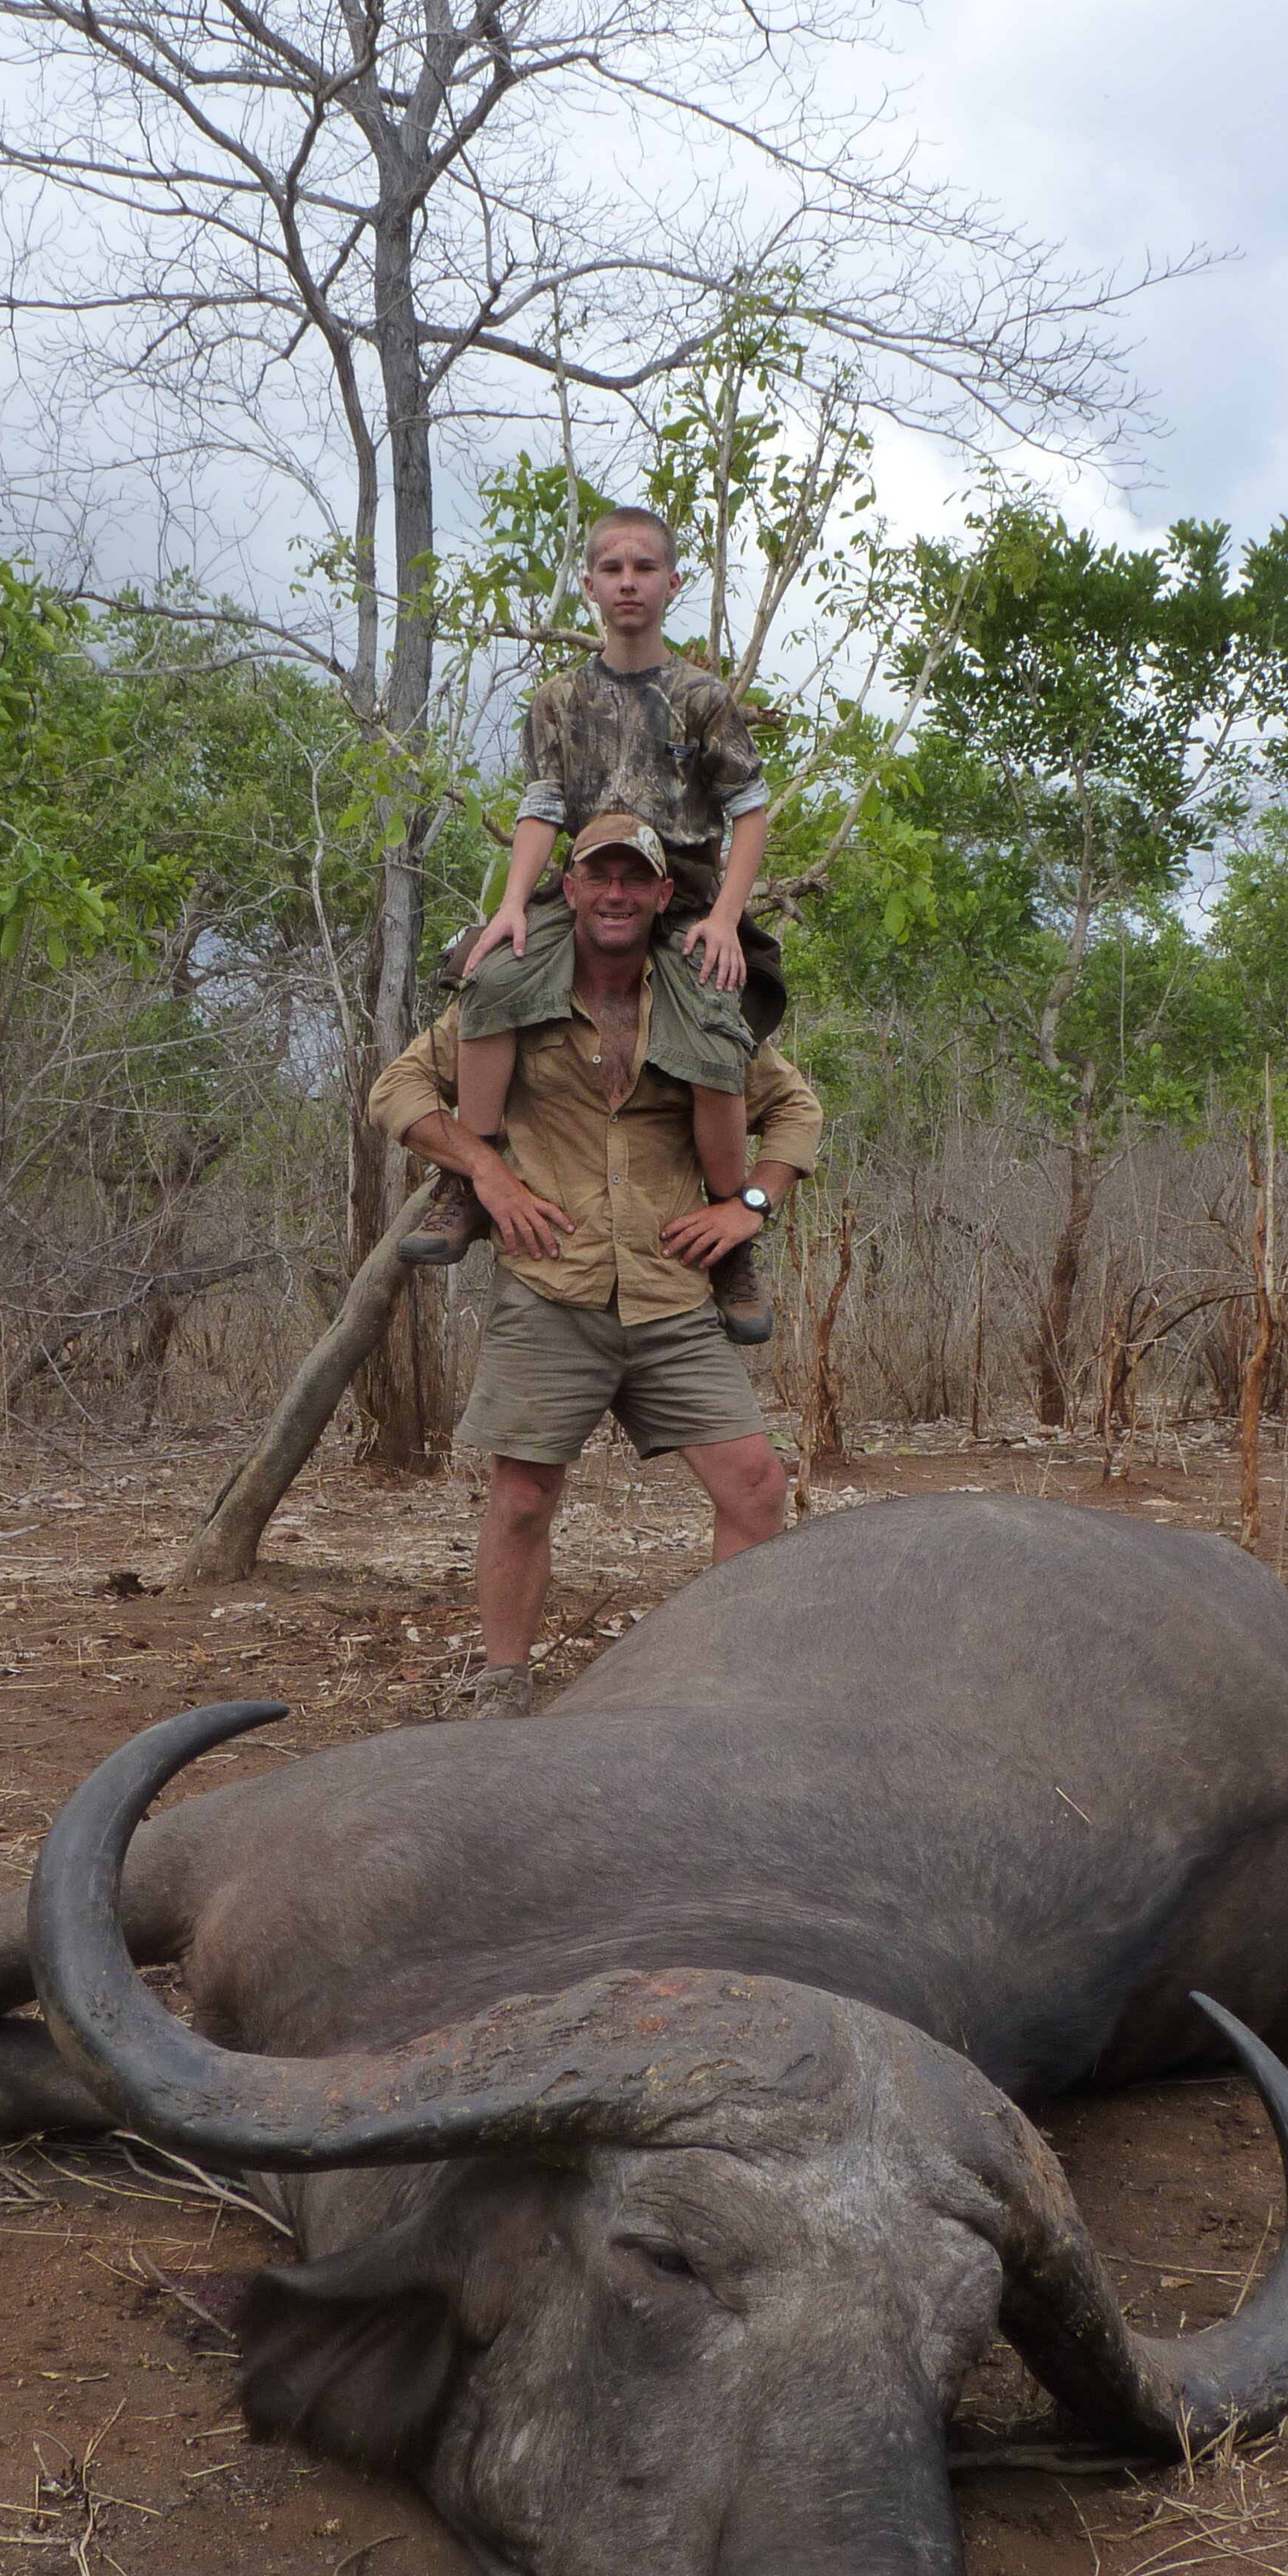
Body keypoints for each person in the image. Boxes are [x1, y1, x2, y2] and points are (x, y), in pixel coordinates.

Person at [368, 813, 823, 1715]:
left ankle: (718, 1680)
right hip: (552, 1282)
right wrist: (487, 1174)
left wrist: (750, 1206)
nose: (615, 893)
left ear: (661, 897)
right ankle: (506, 1684)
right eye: (597, 876)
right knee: (526, 1493)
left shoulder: (701, 997)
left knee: (758, 1485)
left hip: (669, 1292)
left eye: (633, 879)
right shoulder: (508, 992)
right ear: (569, 889)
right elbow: (400, 1090)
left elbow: (795, 1108)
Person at [398, 505, 783, 1342]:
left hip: (673, 895)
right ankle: (470, 1179)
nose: (629, 583)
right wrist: (511, 905)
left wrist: (724, 917)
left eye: (645, 569)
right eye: (612, 570)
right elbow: (541, 806)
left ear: (672, 582)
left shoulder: (702, 698)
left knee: (716, 1026)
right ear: (589, 586)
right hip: (589, 879)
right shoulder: (558, 699)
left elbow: (749, 811)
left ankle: (731, 1241)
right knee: (492, 975)